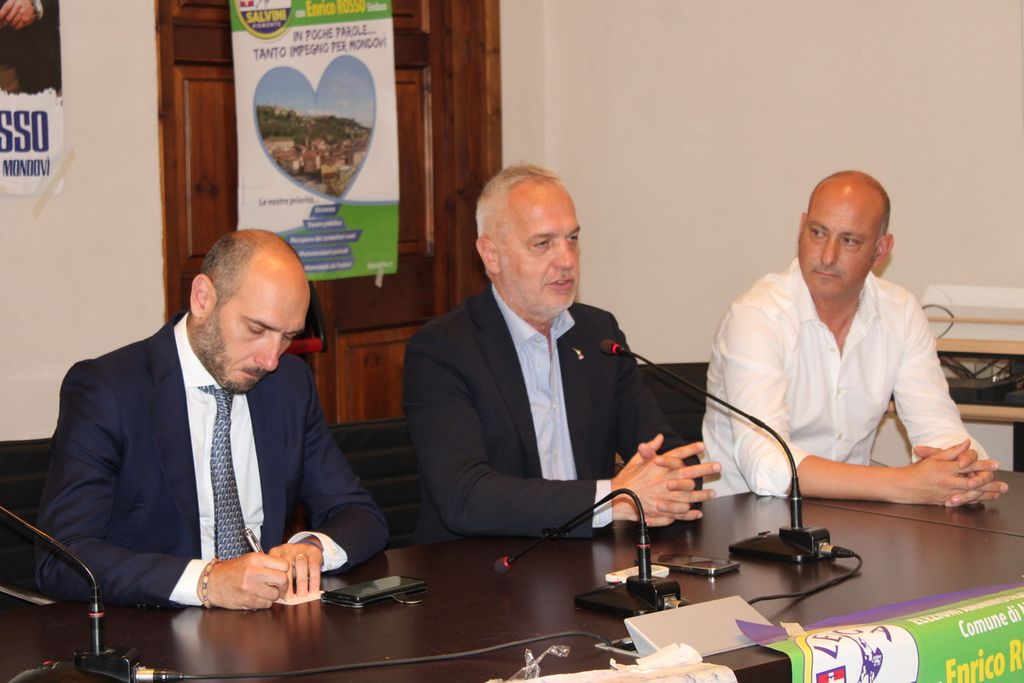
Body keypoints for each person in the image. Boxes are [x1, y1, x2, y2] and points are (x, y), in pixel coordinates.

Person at [37, 230, 388, 609]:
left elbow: (361, 515)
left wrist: (313, 548)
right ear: (203, 298)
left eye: (287, 337)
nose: (271, 359)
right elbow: (62, 559)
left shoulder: (288, 385)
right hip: (153, 629)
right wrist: (206, 581)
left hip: (269, 627)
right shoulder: (110, 390)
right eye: (256, 329)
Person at [403, 163, 720, 544]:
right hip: (482, 565)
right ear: (491, 255)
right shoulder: (443, 350)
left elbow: (668, 453)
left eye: (572, 239)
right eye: (543, 244)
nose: (567, 259)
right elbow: (465, 497)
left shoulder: (598, 334)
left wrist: (670, 480)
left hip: (588, 558)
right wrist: (612, 499)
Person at [703, 170, 1009, 506]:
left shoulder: (900, 312)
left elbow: (936, 425)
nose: (827, 256)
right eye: (818, 233)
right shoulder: (756, 315)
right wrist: (904, 484)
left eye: (849, 241)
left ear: (880, 250)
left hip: (853, 516)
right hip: (747, 519)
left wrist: (963, 469)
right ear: (801, 228)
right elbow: (767, 465)